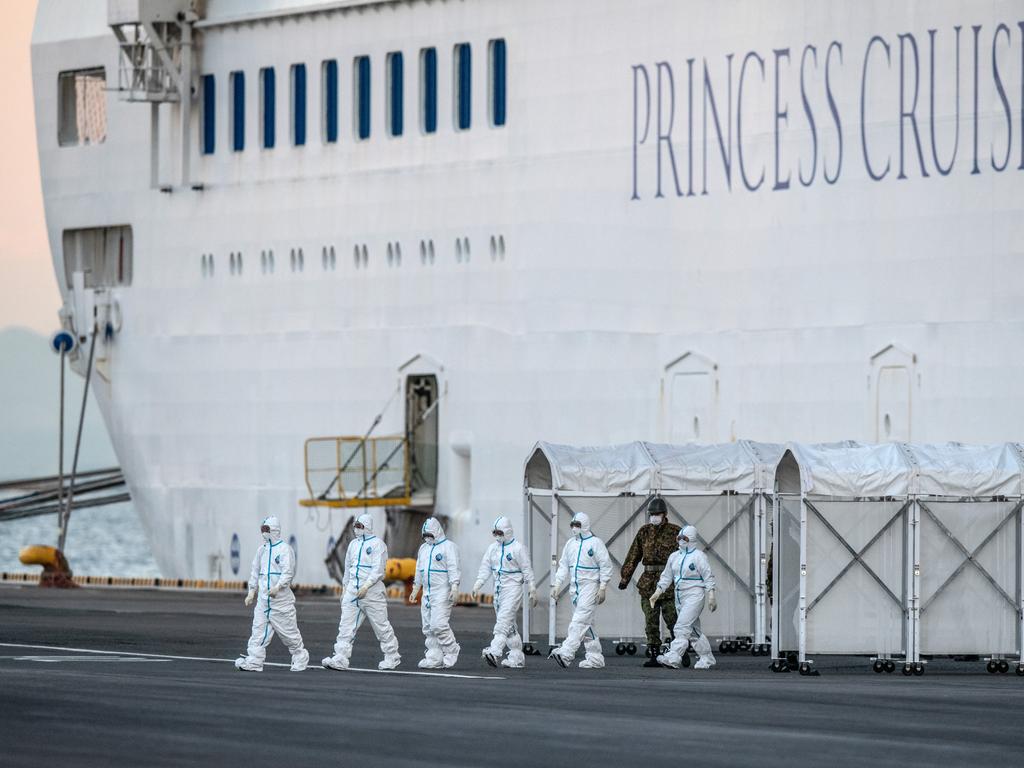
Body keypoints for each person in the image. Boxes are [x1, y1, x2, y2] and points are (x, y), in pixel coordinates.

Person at [322, 513, 401, 671]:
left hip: (372, 593)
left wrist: (366, 586)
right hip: (353, 591)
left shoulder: (378, 545)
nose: (356, 530)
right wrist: (345, 589)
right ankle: (341, 657)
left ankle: (392, 656)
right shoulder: (353, 544)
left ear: (367, 527)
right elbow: (348, 569)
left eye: (360, 526)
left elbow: (378, 570)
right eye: (355, 527)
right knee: (345, 626)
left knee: (381, 626)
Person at [235, 516, 309, 672]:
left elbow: (288, 573)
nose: (263, 533)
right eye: (262, 530)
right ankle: (254, 661)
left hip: (280, 602)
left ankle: (300, 656)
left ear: (275, 530)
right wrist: (251, 591)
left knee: (289, 634)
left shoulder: (284, 549)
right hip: (263, 601)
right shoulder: (262, 550)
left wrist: (278, 587)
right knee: (258, 632)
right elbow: (255, 571)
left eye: (266, 530)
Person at [618, 496, 681, 666]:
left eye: (657, 513)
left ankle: (679, 651)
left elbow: (684, 557)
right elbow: (634, 555)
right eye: (652, 514)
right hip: (648, 583)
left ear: (665, 514)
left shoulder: (676, 532)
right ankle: (654, 655)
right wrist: (625, 577)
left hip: (668, 583)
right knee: (650, 621)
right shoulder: (644, 532)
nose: (654, 516)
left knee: (673, 620)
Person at [471, 516, 537, 668]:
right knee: (510, 626)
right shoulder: (492, 548)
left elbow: (527, 569)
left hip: (513, 590)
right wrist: (478, 584)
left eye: (500, 532)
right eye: (495, 533)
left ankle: (495, 651)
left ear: (507, 531)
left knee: (502, 623)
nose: (497, 536)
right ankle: (516, 657)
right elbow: (485, 567)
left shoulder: (518, 549)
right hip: (498, 590)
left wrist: (532, 588)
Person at [548, 512, 612, 669]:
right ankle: (596, 658)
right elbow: (563, 565)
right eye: (572, 525)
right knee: (586, 624)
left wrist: (602, 587)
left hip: (590, 586)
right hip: (574, 588)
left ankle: (567, 653)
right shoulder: (571, 544)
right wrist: (557, 584)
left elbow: (606, 565)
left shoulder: (595, 543)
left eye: (577, 525)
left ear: (585, 525)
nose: (574, 528)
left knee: (579, 621)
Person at [649, 525, 718, 670]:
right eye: (679, 538)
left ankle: (673, 657)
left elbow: (707, 576)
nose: (681, 541)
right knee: (693, 631)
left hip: (695, 595)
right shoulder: (674, 556)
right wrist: (657, 592)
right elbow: (667, 577)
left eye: (684, 538)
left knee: (681, 627)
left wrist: (711, 594)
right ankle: (707, 657)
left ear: (692, 539)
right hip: (679, 595)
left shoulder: (699, 556)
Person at [409, 517, 461, 668]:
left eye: (430, 535)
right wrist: (415, 588)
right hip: (427, 592)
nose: (427, 538)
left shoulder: (449, 547)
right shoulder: (424, 548)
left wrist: (455, 587)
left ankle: (452, 649)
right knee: (428, 628)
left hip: (442, 591)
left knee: (438, 624)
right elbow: (419, 569)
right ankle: (434, 656)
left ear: (437, 532)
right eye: (425, 535)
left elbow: (454, 568)